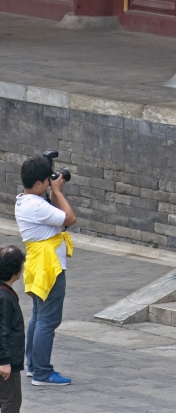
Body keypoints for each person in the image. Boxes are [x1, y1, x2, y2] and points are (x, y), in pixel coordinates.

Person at [15, 156, 76, 386]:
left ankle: (33, 366)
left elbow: (54, 218)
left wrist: (51, 192)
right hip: (48, 268)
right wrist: (59, 191)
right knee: (48, 321)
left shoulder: (24, 200)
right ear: (40, 183)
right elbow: (70, 218)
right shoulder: (36, 206)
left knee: (39, 317)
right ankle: (42, 372)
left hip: (38, 264)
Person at [0, 246, 27, 413]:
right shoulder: (4, 298)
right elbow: (1, 331)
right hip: (6, 363)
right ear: (17, 271)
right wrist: (3, 361)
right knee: (11, 401)